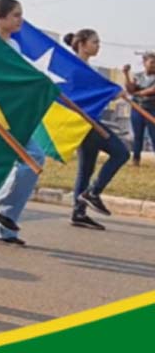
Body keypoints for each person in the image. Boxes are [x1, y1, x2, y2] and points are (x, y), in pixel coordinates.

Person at [0, 0, 45, 247]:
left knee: (18, 163)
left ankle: (1, 230)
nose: (20, 20)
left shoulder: (14, 46)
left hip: (10, 114)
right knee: (33, 158)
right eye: (16, 15)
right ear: (2, 17)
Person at [64, 29, 130, 230]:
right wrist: (110, 93)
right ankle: (92, 192)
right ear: (82, 44)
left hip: (88, 123)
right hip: (87, 123)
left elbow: (97, 92)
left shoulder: (88, 69)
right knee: (121, 153)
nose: (98, 46)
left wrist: (112, 93)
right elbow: (80, 96)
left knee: (86, 169)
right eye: (95, 42)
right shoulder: (75, 68)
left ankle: (78, 212)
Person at [124, 52, 155, 167]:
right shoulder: (138, 76)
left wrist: (136, 93)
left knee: (154, 136)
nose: (153, 65)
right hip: (137, 109)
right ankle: (136, 160)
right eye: (151, 62)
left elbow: (151, 90)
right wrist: (126, 74)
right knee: (138, 136)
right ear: (144, 63)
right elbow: (130, 88)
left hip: (152, 109)